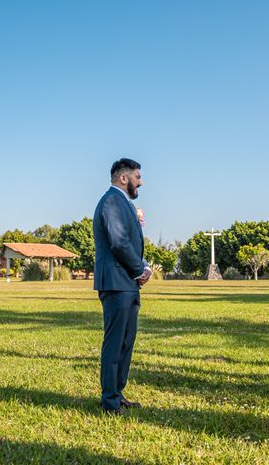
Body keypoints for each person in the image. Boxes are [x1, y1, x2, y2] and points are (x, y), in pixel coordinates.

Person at [93, 158, 152, 415]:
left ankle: (118, 394)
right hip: (117, 283)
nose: (141, 182)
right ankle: (109, 401)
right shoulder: (111, 201)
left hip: (127, 284)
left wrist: (142, 267)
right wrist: (140, 270)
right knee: (115, 343)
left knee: (126, 341)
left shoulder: (123, 203)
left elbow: (129, 240)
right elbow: (118, 242)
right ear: (124, 178)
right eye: (138, 176)